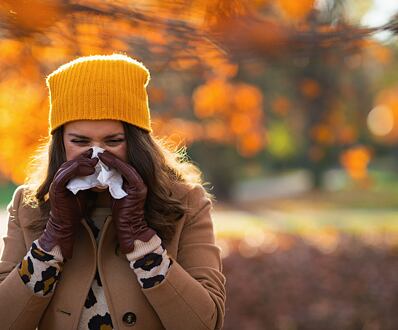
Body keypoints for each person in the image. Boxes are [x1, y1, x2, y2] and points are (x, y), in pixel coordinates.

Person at [0, 54, 226, 329]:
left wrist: (143, 244)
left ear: (136, 143)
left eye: (113, 141)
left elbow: (205, 324)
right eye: (80, 141)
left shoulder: (186, 202)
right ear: (61, 144)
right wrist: (52, 239)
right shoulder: (29, 205)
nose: (96, 155)